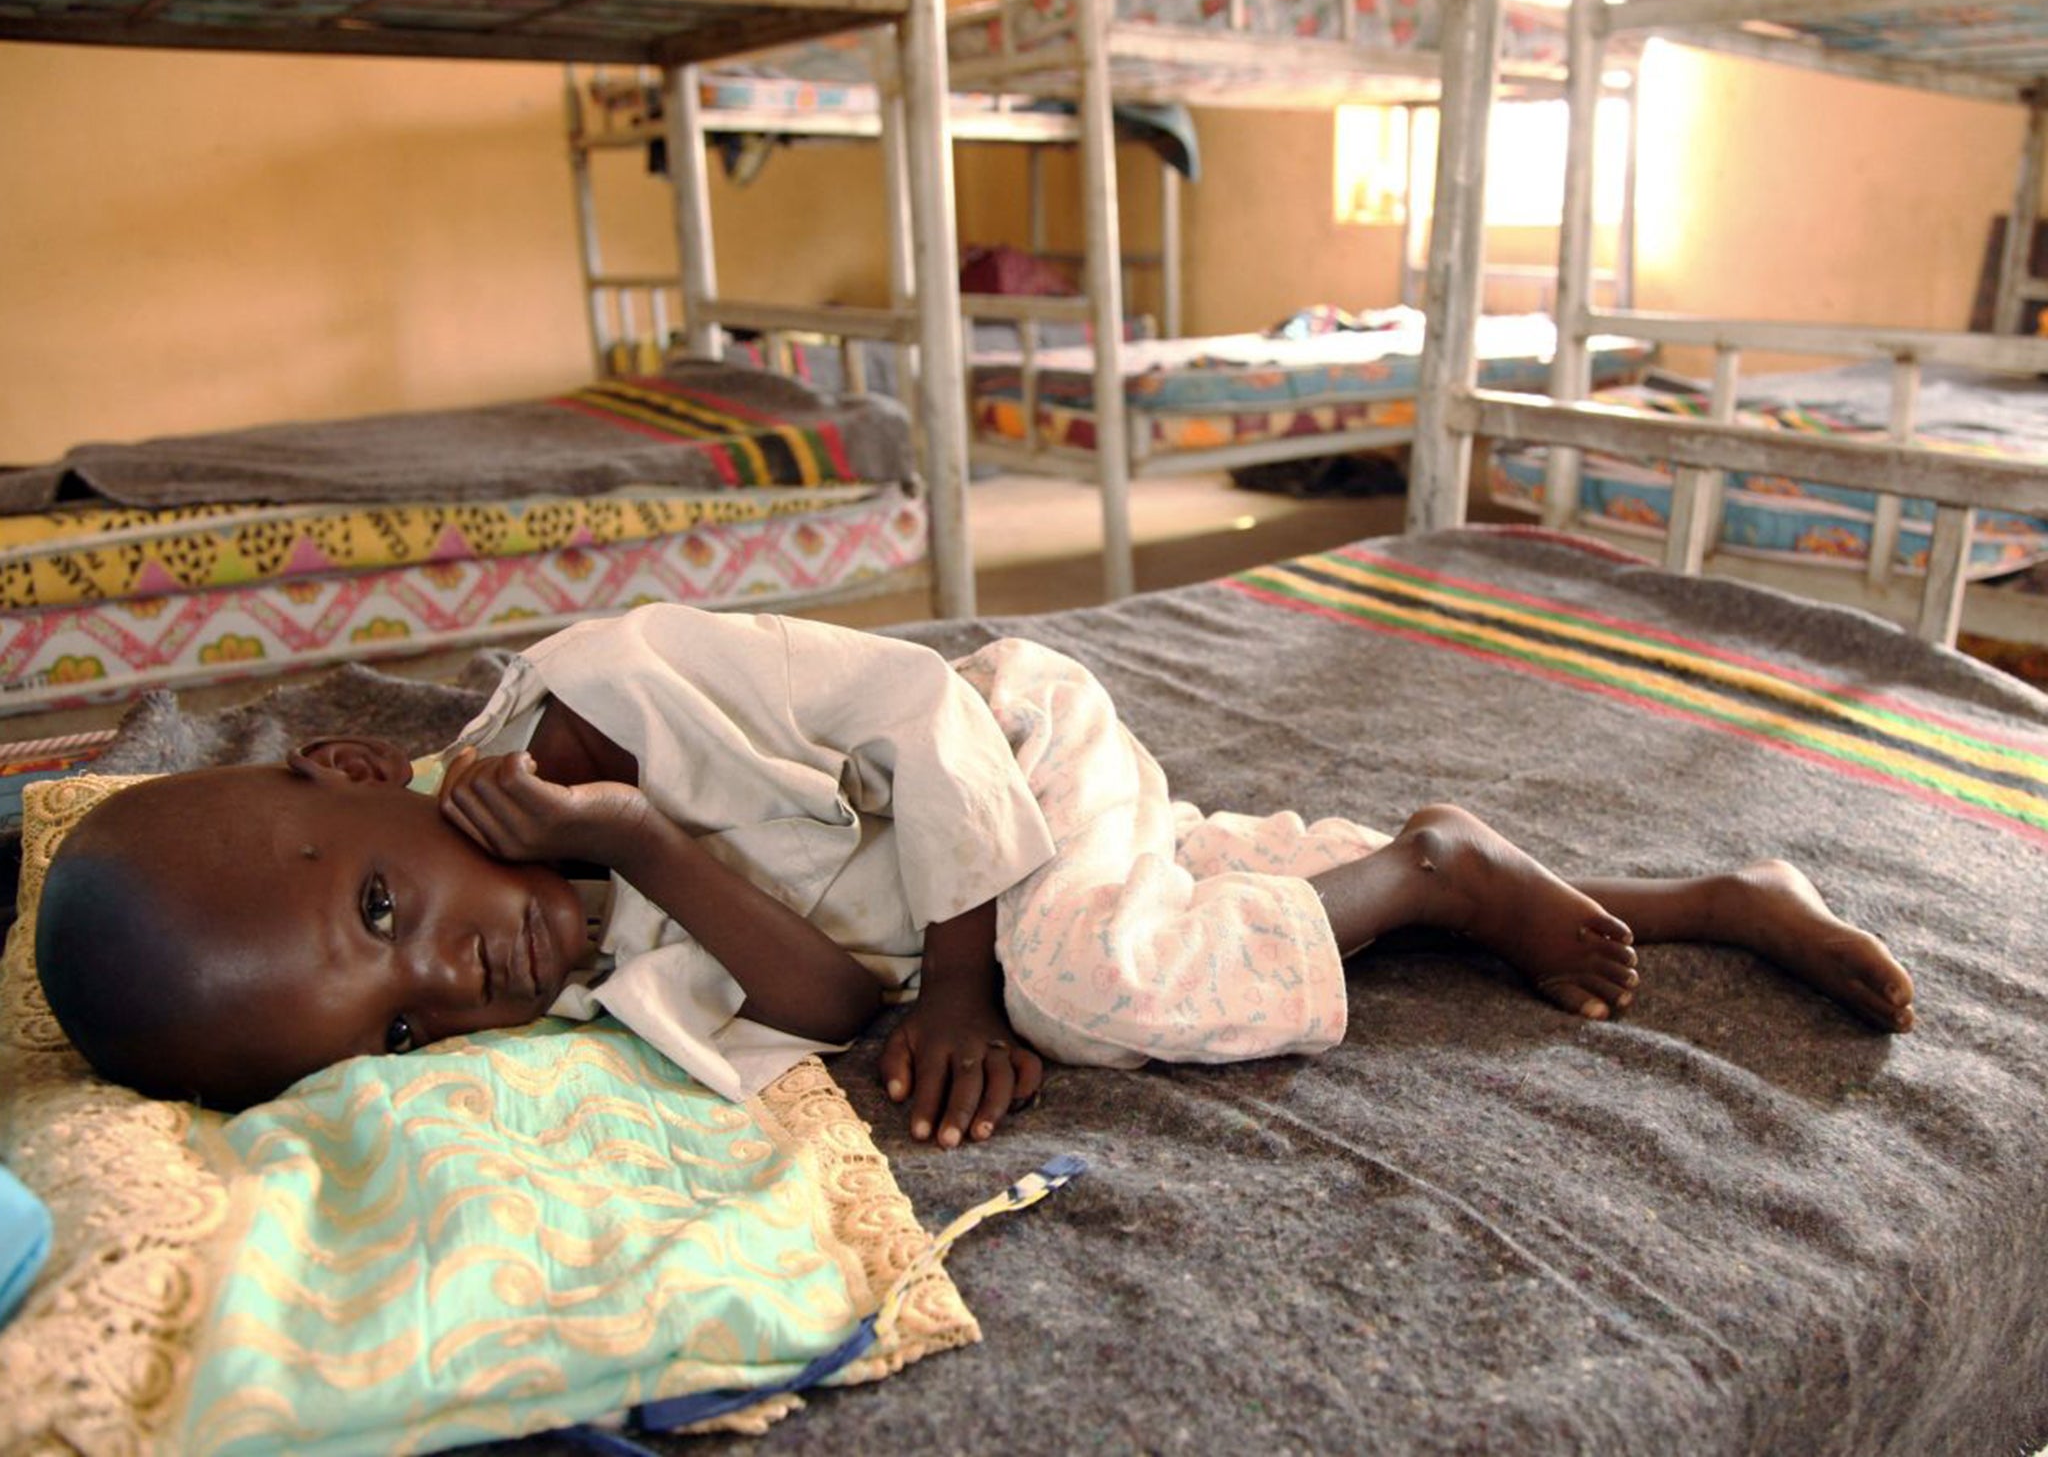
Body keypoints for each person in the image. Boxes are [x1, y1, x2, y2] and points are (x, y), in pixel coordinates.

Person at [35, 606, 1916, 1139]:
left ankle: (1433, 862)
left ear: (365, 769)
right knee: (1216, 901)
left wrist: (961, 987)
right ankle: (1721, 892)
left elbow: (922, 712)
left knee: (1088, 989)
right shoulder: (591, 918)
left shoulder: (599, 701)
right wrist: (643, 861)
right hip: (995, 885)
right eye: (398, 1027)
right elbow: (830, 1007)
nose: (453, 978)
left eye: (380, 913)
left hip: (1012, 744)